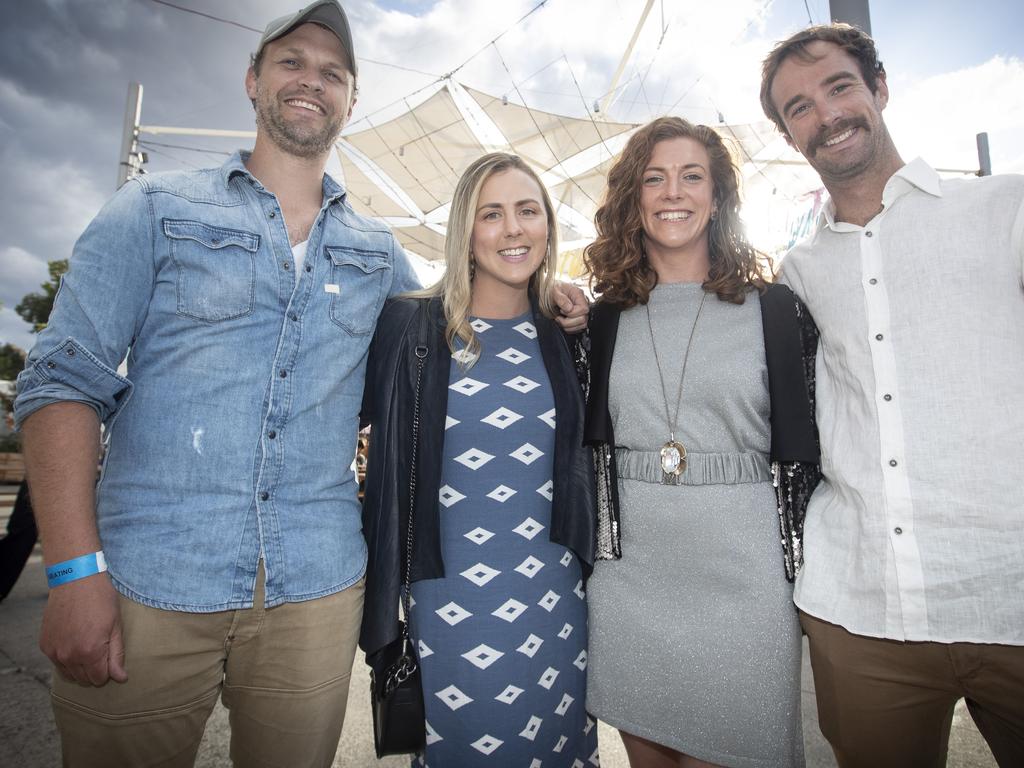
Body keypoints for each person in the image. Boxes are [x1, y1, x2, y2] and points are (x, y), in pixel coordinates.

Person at [13, 3, 413, 766]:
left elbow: (456, 333)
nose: (311, 81)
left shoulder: (380, 252)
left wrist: (554, 304)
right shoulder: (155, 209)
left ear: (351, 103)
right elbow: (61, 383)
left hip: (317, 593)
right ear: (253, 79)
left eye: (333, 72)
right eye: (292, 61)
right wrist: (72, 574)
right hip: (147, 585)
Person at [760, 23, 1024, 768]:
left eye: (839, 87)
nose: (826, 114)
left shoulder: (1004, 210)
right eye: (799, 108)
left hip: (1012, 589)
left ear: (879, 88)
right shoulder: (797, 272)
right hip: (862, 608)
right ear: (789, 135)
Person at [581, 116, 820, 768]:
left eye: (692, 176)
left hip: (746, 584)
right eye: (653, 178)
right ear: (634, 198)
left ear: (718, 197)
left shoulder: (775, 310)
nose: (672, 192)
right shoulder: (600, 320)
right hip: (630, 582)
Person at [360, 152, 599, 766]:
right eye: (491, 214)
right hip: (449, 605)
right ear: (465, 232)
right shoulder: (411, 327)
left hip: (558, 602)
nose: (513, 229)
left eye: (527, 210)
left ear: (548, 225)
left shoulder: (569, 335)